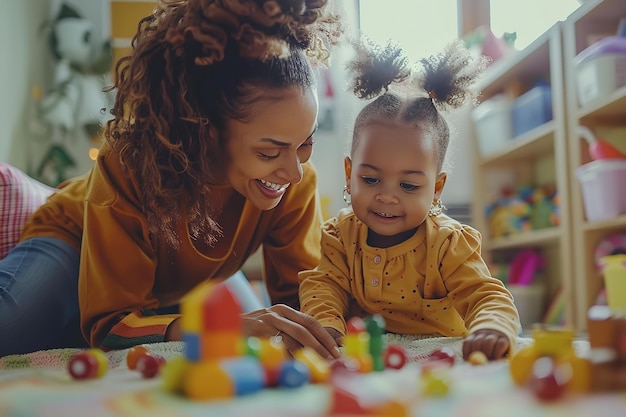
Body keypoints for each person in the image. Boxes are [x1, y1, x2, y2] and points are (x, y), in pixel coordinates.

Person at [0, 0, 343, 359]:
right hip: (75, 239)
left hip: (179, 282)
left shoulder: (294, 181)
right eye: (269, 153)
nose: (293, 170)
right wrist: (219, 324)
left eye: (306, 143)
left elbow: (306, 299)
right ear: (207, 131)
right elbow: (111, 324)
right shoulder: (129, 164)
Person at [298, 38, 521, 361]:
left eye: (409, 185)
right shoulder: (339, 236)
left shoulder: (447, 243)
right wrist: (326, 325)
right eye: (371, 179)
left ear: (436, 189)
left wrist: (492, 327)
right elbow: (323, 286)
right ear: (349, 174)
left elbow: (485, 295)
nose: (387, 197)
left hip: (439, 357)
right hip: (375, 358)